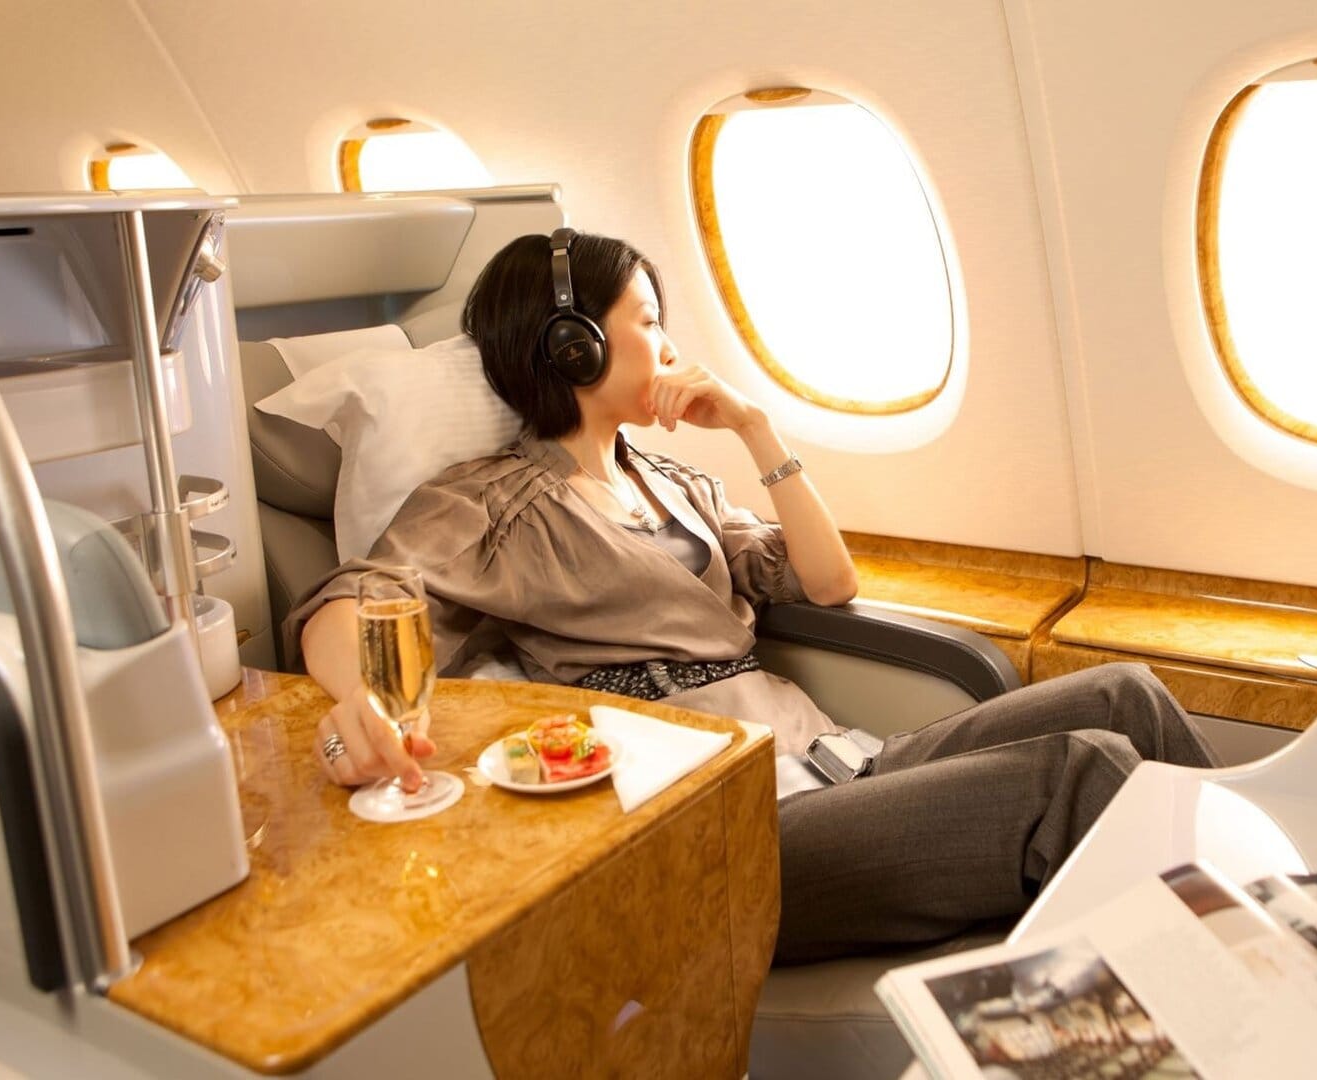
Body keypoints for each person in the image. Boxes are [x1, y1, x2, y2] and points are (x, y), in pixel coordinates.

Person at [286, 230, 1213, 963]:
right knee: (1079, 772)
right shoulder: (494, 499)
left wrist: (756, 428)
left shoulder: (671, 483)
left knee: (1126, 693)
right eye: (647, 319)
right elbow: (359, 597)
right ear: (574, 347)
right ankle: (1258, 984)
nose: (669, 345)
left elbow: (827, 580)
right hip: (726, 829)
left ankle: (1298, 939)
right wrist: (358, 699)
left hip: (836, 763)